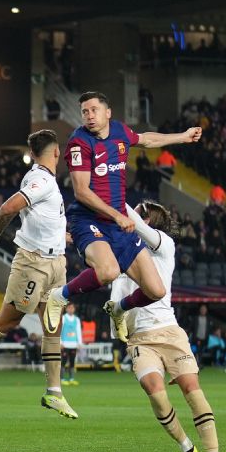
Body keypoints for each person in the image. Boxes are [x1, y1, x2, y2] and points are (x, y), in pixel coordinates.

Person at [44, 91, 202, 341]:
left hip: (118, 223)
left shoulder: (119, 131)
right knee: (108, 271)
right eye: (84, 111)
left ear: (108, 113)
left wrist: (182, 137)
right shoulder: (79, 142)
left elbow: (146, 140)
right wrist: (117, 216)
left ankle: (118, 309)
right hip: (88, 220)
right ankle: (58, 296)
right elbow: (82, 192)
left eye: (94, 109)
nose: (89, 115)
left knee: (156, 290)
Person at [0, 130, 77, 419]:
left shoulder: (47, 179)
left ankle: (54, 392)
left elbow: (44, 219)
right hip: (34, 262)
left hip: (56, 261)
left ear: (33, 153)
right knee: (10, 319)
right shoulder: (41, 180)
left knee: (53, 324)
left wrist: (65, 239)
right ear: (56, 152)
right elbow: (10, 207)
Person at [112, 202, 226, 452]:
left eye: (141, 211)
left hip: (170, 332)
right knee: (154, 389)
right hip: (141, 337)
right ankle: (188, 448)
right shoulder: (123, 256)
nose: (135, 215)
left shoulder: (164, 245)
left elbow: (135, 224)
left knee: (192, 388)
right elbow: (116, 296)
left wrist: (115, 194)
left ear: (152, 220)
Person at [60, 304, 82, 385]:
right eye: (69, 308)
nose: (71, 309)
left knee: (72, 362)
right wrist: (60, 342)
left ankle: (71, 379)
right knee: (63, 362)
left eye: (72, 308)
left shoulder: (77, 319)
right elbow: (60, 330)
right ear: (66, 309)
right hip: (65, 344)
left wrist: (79, 343)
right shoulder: (63, 318)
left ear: (74, 309)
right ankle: (61, 379)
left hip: (73, 344)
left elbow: (78, 331)